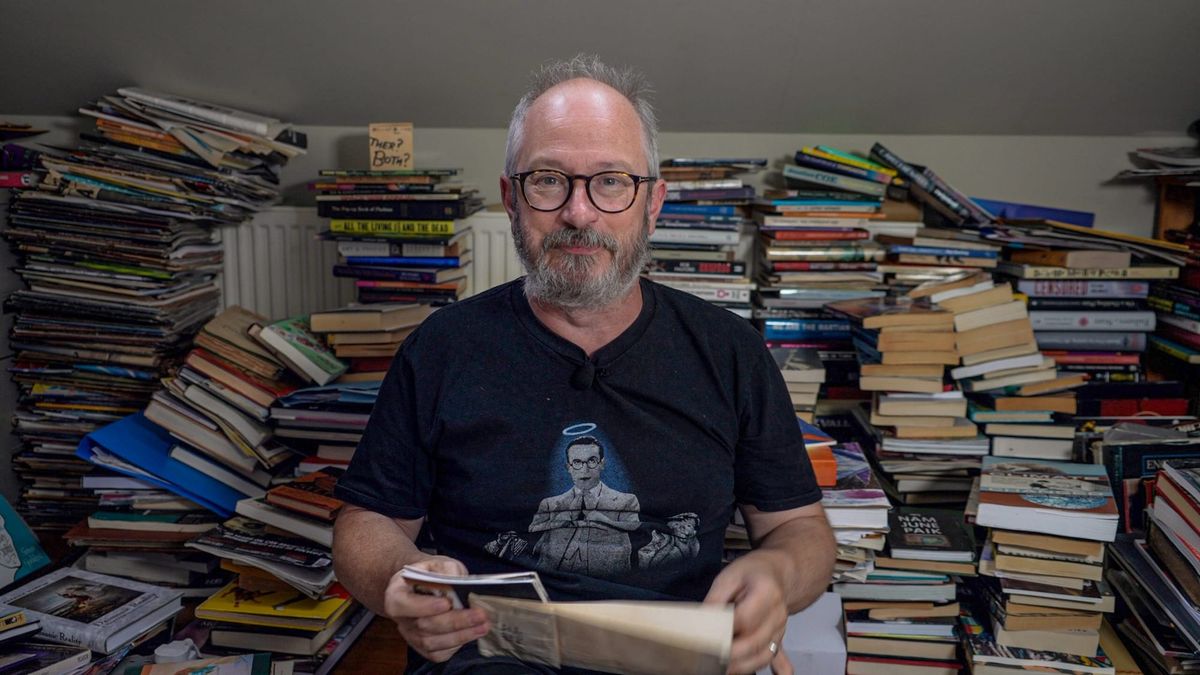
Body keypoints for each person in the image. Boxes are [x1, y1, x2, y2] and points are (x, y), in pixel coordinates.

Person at [333, 54, 836, 675]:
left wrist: (778, 571)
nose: (579, 212)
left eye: (611, 181)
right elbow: (367, 521)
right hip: (487, 657)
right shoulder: (441, 348)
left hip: (675, 660)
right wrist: (398, 577)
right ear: (509, 200)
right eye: (548, 180)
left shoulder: (730, 352)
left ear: (652, 202)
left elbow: (802, 530)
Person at [528, 435, 641, 577]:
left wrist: (605, 521)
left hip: (609, 579)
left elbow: (636, 528)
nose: (585, 469)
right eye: (577, 462)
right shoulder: (550, 503)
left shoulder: (626, 500)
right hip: (553, 578)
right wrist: (560, 522)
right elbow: (532, 529)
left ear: (602, 463)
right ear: (568, 467)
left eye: (592, 461)